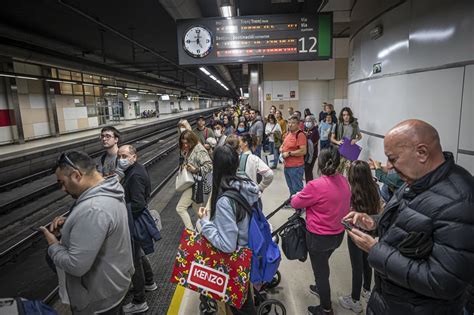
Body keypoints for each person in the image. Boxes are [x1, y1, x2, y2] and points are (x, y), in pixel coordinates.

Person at [344, 119, 474, 315]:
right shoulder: (417, 179)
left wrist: (375, 250)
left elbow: (443, 282)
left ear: (421, 153)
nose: (387, 167)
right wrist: (375, 222)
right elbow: (407, 222)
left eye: (393, 158)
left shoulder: (460, 201)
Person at [40, 151, 134, 314]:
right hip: (114, 284)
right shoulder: (111, 188)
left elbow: (76, 266)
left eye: (62, 182)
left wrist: (53, 245)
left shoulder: (93, 209)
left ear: (76, 175)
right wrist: (71, 226)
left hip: (98, 301)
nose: (62, 189)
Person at [197, 145, 259, 315]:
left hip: (235, 261)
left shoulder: (225, 201)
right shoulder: (246, 183)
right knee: (245, 301)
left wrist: (205, 223)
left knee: (239, 305)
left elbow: (227, 245)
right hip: (249, 252)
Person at [290, 146, 351, 315]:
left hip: (318, 237)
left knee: (321, 272)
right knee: (323, 263)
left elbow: (295, 203)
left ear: (320, 162)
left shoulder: (315, 185)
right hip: (338, 235)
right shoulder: (345, 181)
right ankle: (319, 286)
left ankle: (325, 309)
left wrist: (297, 195)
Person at [117, 145, 158, 314]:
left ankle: (139, 301)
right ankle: (149, 282)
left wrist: (120, 214)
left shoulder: (135, 175)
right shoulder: (135, 170)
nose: (121, 159)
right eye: (119, 156)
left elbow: (138, 204)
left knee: (134, 261)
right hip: (135, 220)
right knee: (139, 255)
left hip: (134, 222)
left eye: (125, 156)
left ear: (134, 157)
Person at [338, 160, 382, 313]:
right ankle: (367, 291)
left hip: (355, 233)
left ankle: (355, 300)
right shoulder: (375, 187)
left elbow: (346, 213)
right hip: (370, 231)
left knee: (356, 267)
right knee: (367, 263)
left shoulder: (352, 193)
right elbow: (379, 209)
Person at [176, 130, 213, 230]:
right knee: (198, 210)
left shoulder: (199, 149)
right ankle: (204, 231)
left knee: (180, 208)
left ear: (192, 140)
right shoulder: (189, 148)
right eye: (183, 143)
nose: (186, 145)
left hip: (197, 184)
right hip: (194, 183)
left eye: (187, 142)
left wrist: (195, 169)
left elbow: (209, 166)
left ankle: (191, 231)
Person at [280, 116, 307, 202]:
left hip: (296, 167)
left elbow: (303, 151)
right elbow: (284, 144)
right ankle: (293, 201)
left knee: (297, 187)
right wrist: (281, 148)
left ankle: (301, 206)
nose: (290, 125)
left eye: (293, 123)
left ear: (298, 124)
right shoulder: (289, 133)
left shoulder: (300, 135)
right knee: (291, 186)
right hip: (287, 165)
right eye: (289, 122)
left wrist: (289, 153)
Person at [331, 107, 362, 176]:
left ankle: (347, 186)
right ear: (341, 116)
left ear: (350, 115)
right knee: (338, 171)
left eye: (347, 115)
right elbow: (332, 138)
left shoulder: (354, 125)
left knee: (349, 172)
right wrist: (338, 142)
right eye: (344, 115)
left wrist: (355, 140)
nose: (346, 117)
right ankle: (338, 186)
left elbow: (360, 136)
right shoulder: (337, 124)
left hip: (349, 151)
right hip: (340, 151)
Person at [304, 115, 320, 182]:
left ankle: (310, 185)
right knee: (307, 171)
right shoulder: (307, 130)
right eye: (306, 121)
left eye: (309, 121)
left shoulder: (315, 131)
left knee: (308, 170)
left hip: (312, 154)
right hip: (307, 154)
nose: (307, 122)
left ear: (313, 122)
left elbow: (311, 143)